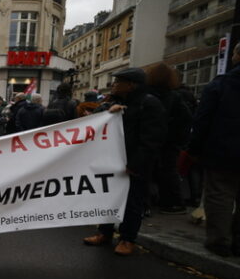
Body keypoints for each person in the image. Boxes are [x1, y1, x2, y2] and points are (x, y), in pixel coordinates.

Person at [83, 68, 167, 256]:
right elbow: (95, 120)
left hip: (135, 164)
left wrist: (135, 164)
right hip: (113, 161)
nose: (113, 84)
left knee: (132, 202)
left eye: (118, 81)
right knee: (108, 197)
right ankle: (104, 232)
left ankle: (127, 239)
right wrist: (108, 111)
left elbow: (152, 139)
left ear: (131, 85)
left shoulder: (150, 104)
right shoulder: (115, 103)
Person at [187, 43, 240, 257]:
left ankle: (219, 241)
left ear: (237, 56)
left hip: (223, 151)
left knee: (219, 195)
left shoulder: (222, 84)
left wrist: (194, 149)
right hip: (223, 149)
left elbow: (202, 120)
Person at [145, 63, 192, 215]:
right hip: (168, 142)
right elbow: (186, 119)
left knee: (148, 170)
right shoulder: (174, 96)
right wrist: (177, 139)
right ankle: (172, 202)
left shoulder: (146, 95)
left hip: (151, 140)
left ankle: (148, 203)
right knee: (168, 171)